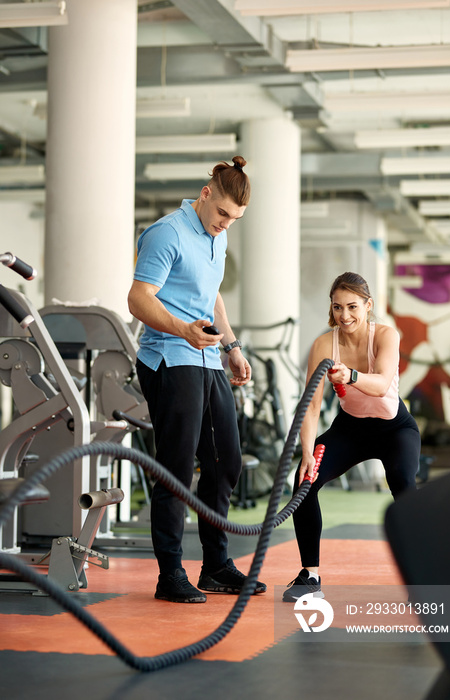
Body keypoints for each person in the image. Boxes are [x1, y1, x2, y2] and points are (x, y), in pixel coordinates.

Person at [128, 156, 266, 603]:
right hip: (168, 356)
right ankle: (170, 574)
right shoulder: (167, 233)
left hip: (207, 359)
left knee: (226, 462)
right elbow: (137, 298)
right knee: (177, 468)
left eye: (235, 219)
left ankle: (216, 566)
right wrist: (182, 329)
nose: (226, 224)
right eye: (223, 213)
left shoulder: (215, 237)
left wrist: (232, 347)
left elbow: (212, 296)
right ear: (206, 194)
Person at [283, 271, 420, 602]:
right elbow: (311, 407)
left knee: (403, 483)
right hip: (351, 428)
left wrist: (351, 375)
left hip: (395, 428)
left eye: (353, 307)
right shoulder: (323, 345)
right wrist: (306, 455)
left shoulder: (386, 334)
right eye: (337, 307)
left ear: (368, 305)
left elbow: (384, 383)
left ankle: (422, 573)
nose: (345, 316)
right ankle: (310, 576)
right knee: (304, 483)